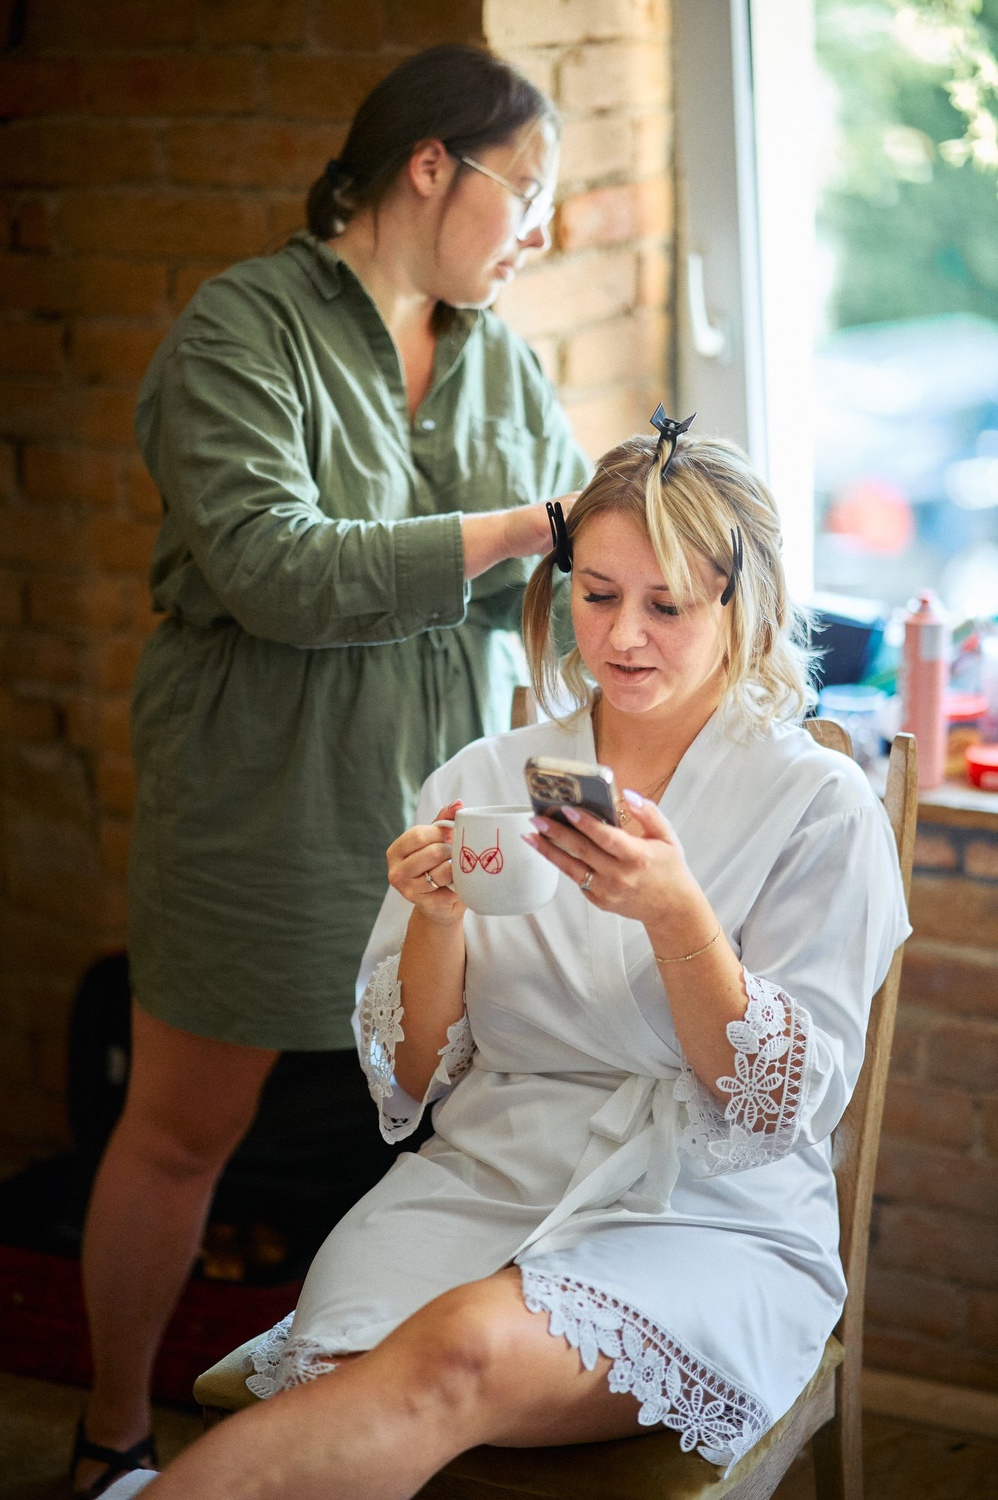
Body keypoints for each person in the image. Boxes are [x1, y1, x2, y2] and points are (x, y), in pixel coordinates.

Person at [122, 415, 910, 1499]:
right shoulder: (483, 780)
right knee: (352, 1384)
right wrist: (437, 918)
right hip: (482, 1180)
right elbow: (409, 1080)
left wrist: (677, 916)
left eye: (667, 605)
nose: (622, 636)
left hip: (703, 1217)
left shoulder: (817, 806)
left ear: (747, 607)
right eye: (598, 594)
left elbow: (777, 1109)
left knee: (455, 1353)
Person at [72, 43, 588, 1499]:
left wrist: (628, 569)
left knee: (435, 1134)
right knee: (184, 1132)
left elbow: (544, 585)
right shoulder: (244, 327)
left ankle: (371, 1443)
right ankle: (110, 1431)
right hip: (261, 797)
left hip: (440, 805)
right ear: (430, 167)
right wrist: (519, 529)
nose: (538, 230)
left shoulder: (497, 358)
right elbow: (274, 569)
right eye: (526, 193)